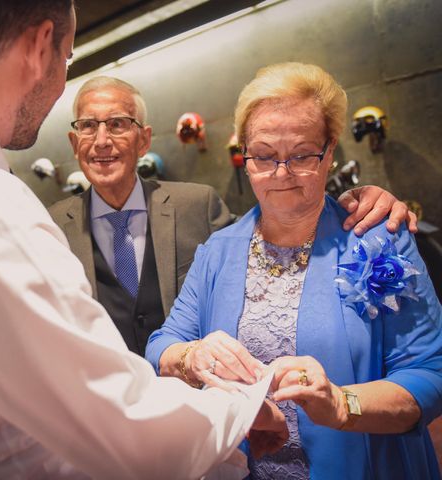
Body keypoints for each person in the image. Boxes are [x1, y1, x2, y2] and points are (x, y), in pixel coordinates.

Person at [0, 2, 289, 479]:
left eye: (117, 124)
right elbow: (131, 432)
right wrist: (243, 403)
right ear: (39, 47)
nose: (100, 139)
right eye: (68, 58)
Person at [146, 62, 442, 479]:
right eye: (264, 156)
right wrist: (194, 358)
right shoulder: (219, 251)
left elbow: (430, 372)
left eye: (302, 155)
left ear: (330, 150)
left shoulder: (378, 241)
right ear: (245, 156)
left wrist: (342, 404)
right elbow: (162, 346)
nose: (281, 174)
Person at [50, 76, 416, 356]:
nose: (100, 141)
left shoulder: (197, 205)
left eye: (116, 124)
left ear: (144, 140)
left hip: (202, 411)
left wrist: (363, 199)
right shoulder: (48, 228)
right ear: (73, 142)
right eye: (87, 125)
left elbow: (279, 230)